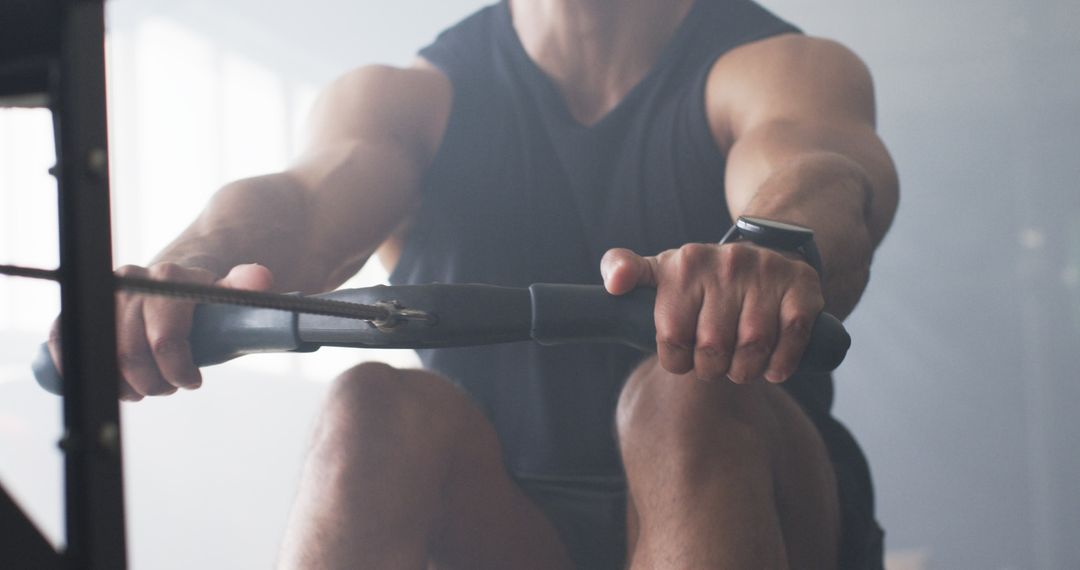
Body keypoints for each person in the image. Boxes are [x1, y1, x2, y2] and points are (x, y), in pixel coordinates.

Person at [50, 0, 898, 567]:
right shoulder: (407, 100)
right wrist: (194, 266)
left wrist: (773, 243)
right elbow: (304, 205)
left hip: (759, 502)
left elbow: (822, 172)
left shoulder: (782, 68)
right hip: (501, 525)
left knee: (685, 397)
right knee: (371, 410)